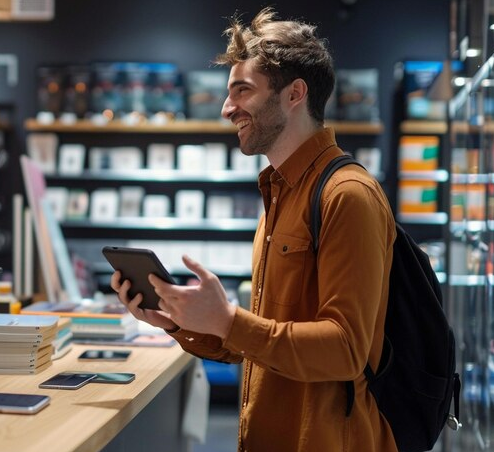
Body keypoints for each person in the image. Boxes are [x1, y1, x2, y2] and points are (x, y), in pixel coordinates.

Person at [110, 8, 397, 452]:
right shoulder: (278, 195)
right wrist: (180, 322)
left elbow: (345, 350)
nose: (227, 109)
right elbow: (259, 342)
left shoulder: (347, 195)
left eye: (242, 91)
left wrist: (227, 319)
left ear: (294, 94)